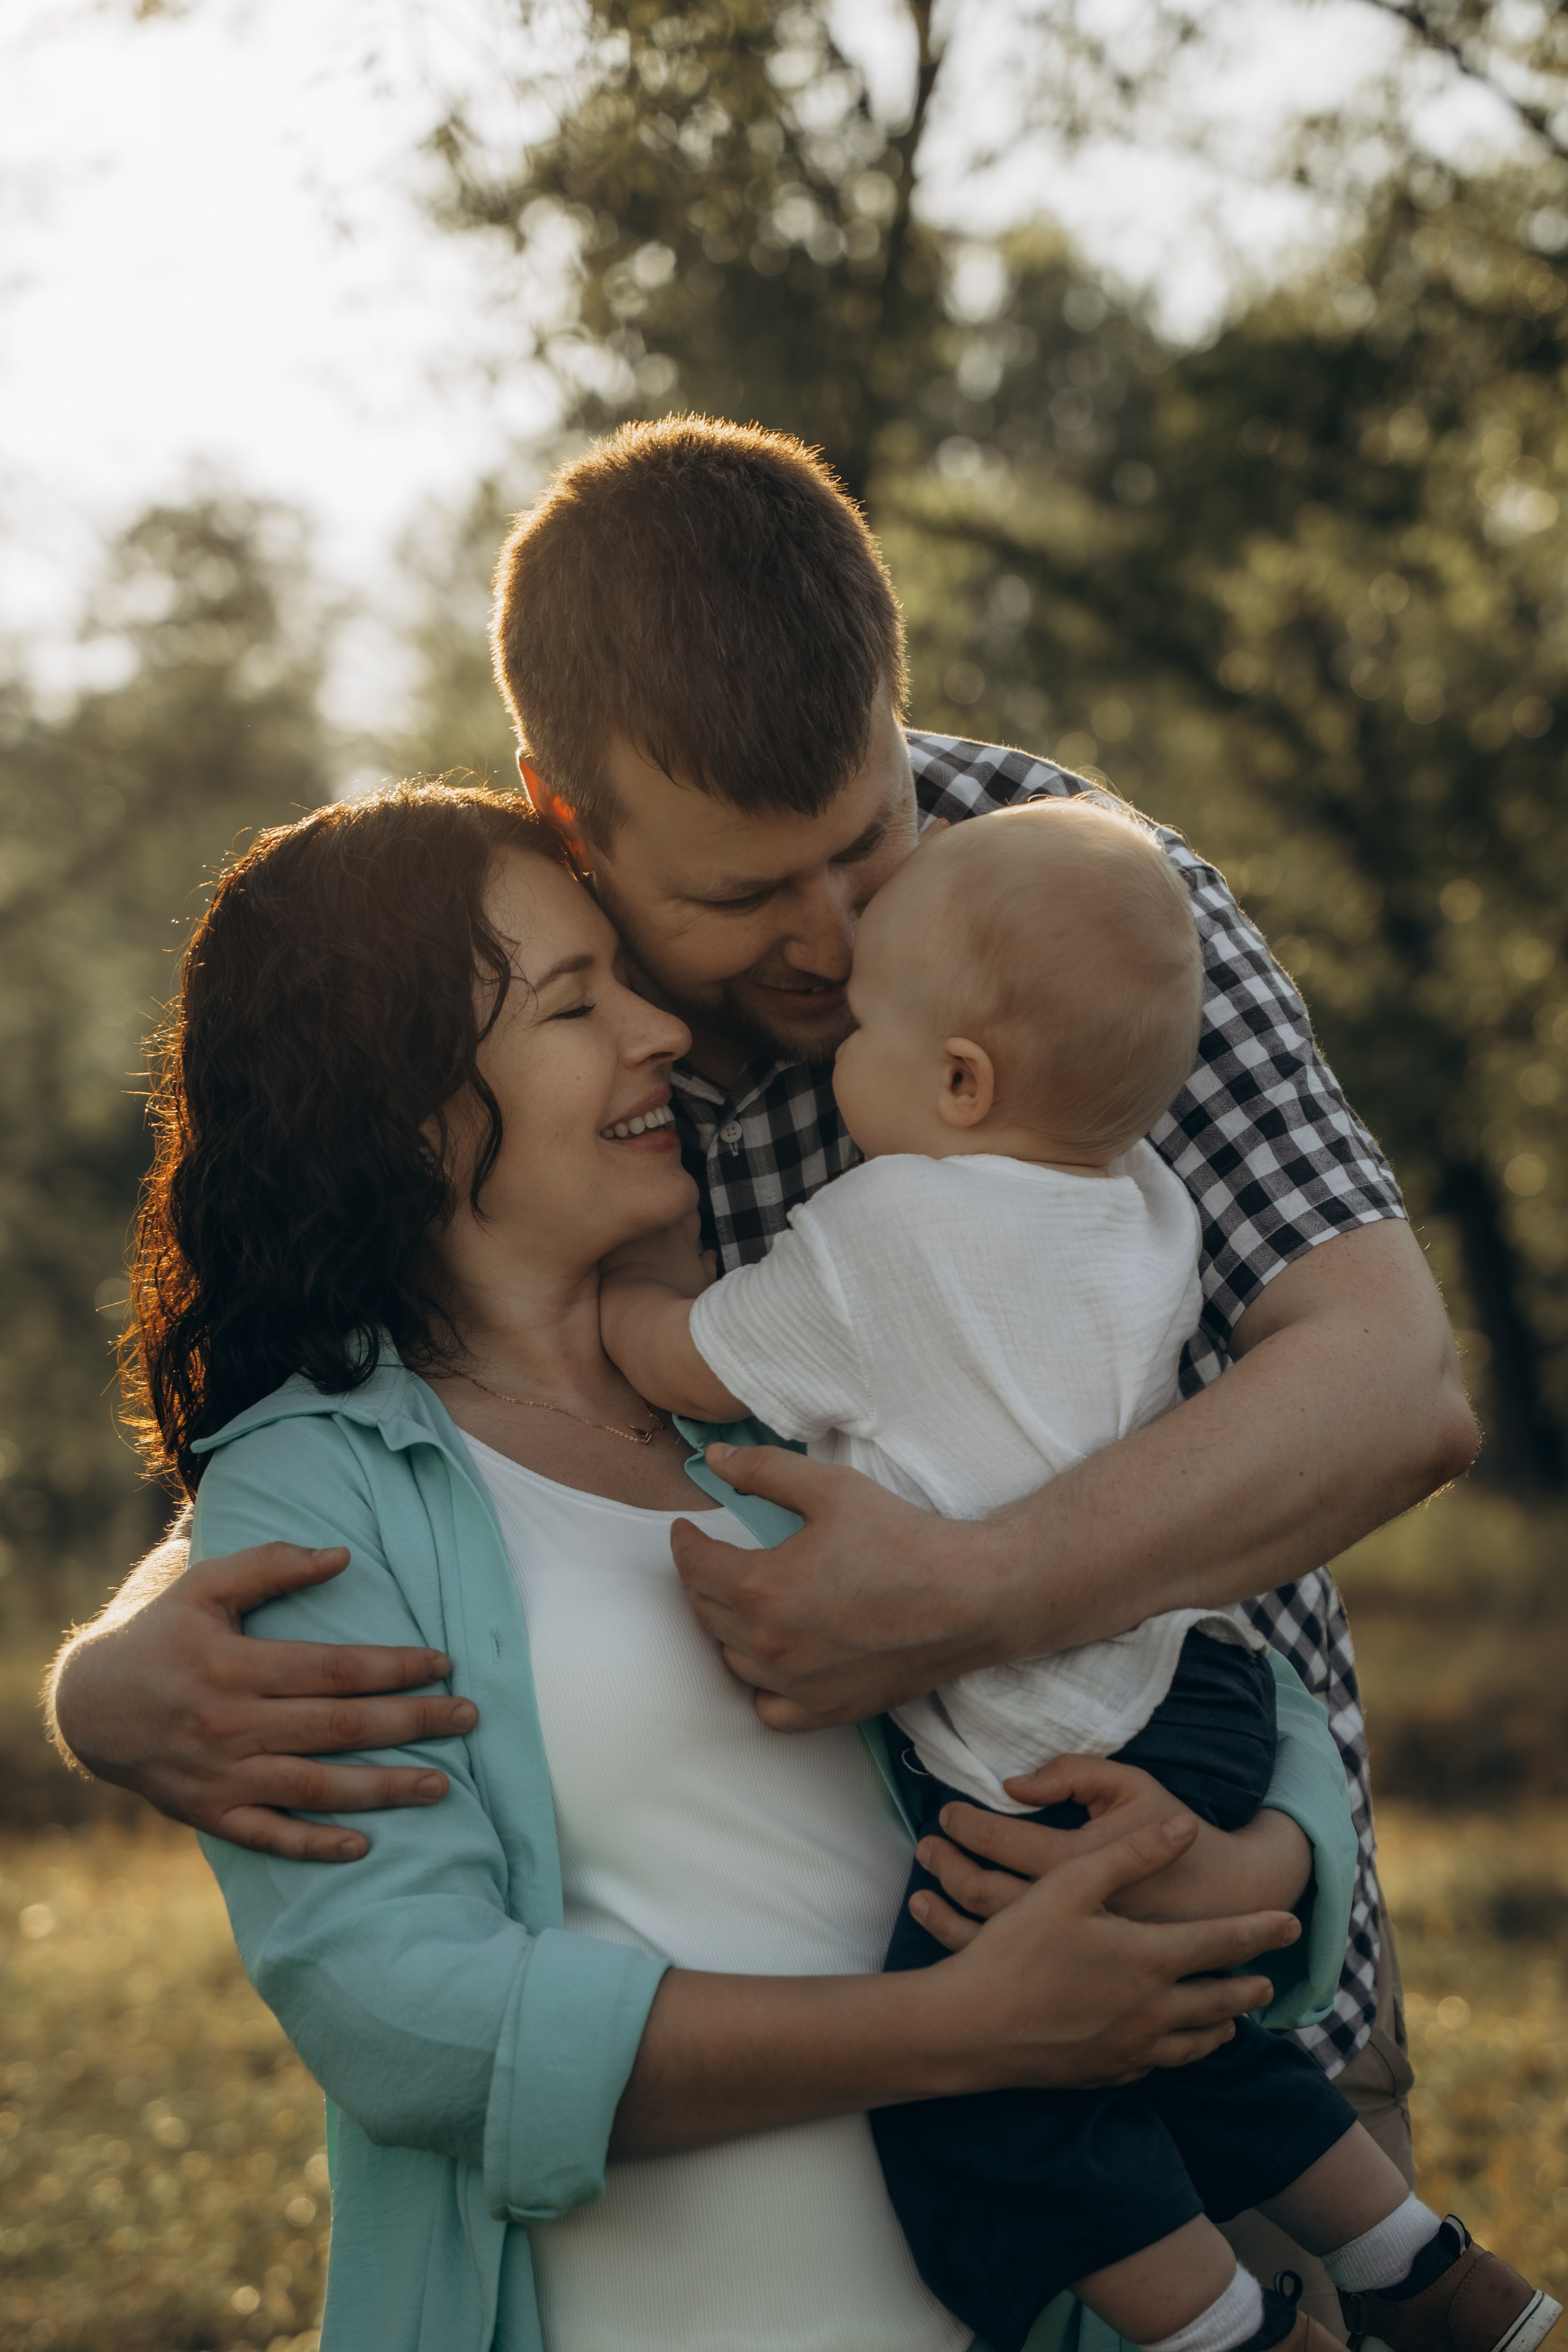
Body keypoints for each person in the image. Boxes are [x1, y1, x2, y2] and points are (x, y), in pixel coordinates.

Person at [50, 415, 1475, 2317]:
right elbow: (423, 1448)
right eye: (743, 898)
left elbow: (1395, 1386)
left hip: (1226, 1975)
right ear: (575, 819)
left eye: (866, 836)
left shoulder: (1061, 899)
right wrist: (121, 1661)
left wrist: (1008, 1632)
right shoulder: (533, 1015)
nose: (838, 934)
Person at [121, 778, 1340, 2352]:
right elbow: (411, 2019)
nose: (662, 1036)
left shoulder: (785, 1388)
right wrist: (947, 2033)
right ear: (401, 1101)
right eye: (575, 1003)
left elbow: (1172, 1644)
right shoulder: (324, 1483)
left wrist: (1269, 1865)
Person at [597, 797, 1556, 2352]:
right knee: (1188, 2032)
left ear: (957, 1078)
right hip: (1204, 1706)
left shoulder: (876, 1230)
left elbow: (684, 1362)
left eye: (864, 1027)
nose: (834, 971)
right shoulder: (1145, 1214)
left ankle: (1230, 2334)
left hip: (1049, 1749)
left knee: (998, 2082)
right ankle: (1420, 2266)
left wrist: (637, 1271)